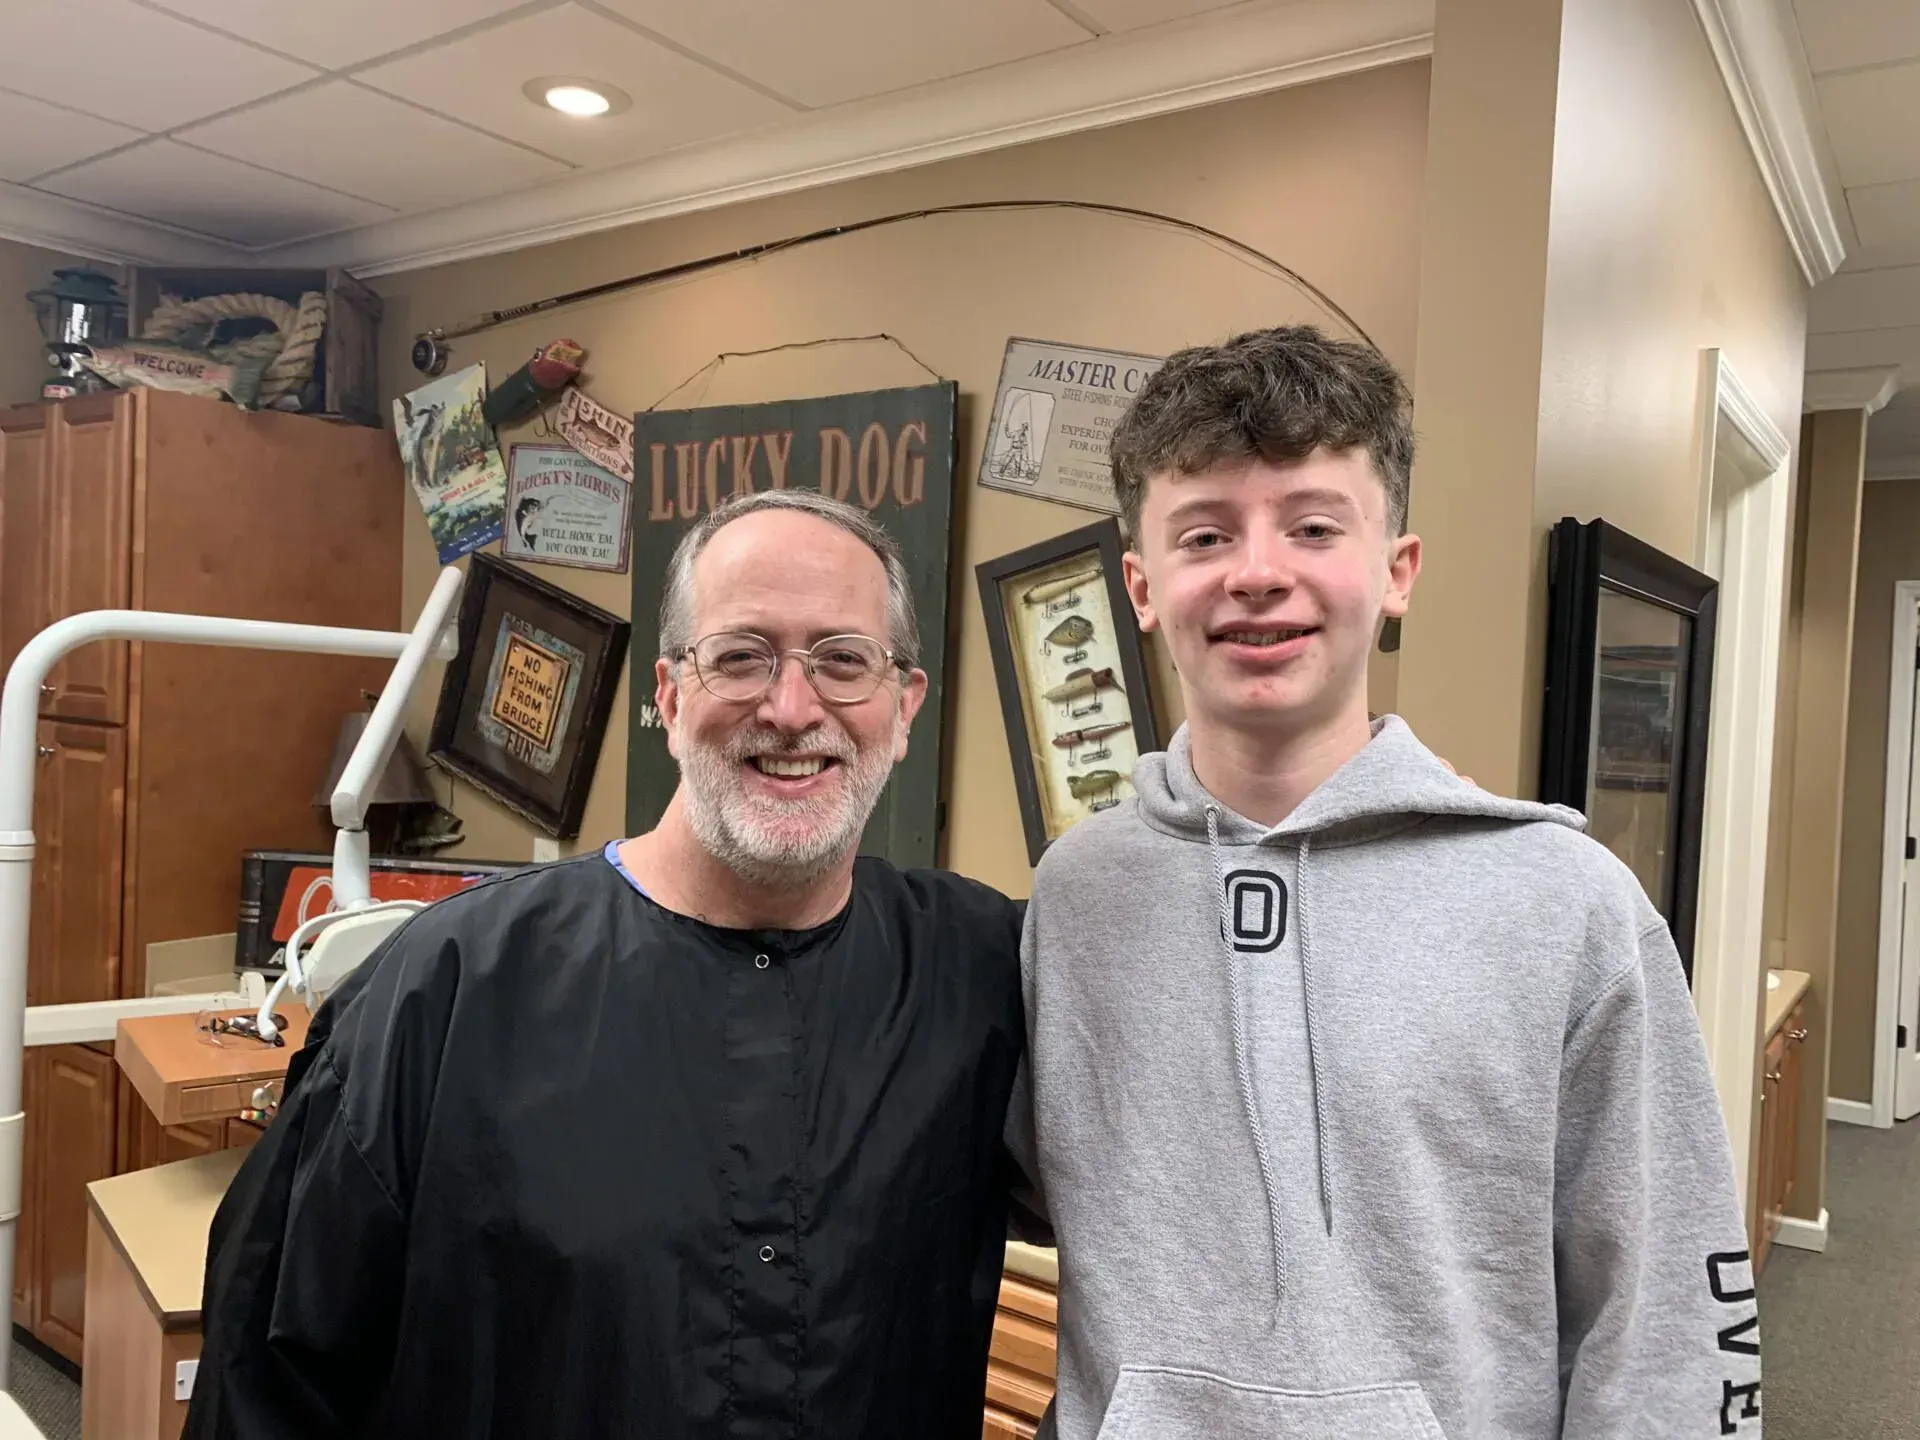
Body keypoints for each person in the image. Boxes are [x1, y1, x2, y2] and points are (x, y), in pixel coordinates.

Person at [1015, 326, 1761, 1438]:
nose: (1258, 572)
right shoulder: (1073, 897)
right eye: (1205, 533)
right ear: (1141, 586)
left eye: (1314, 527)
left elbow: (1664, 1328)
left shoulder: (1568, 907)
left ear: (1396, 570)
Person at [185, 490, 1030, 1439]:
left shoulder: (980, 972)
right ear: (668, 697)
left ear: (904, 706)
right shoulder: (442, 996)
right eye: (741, 656)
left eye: (843, 661)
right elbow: (268, 1385)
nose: (793, 709)